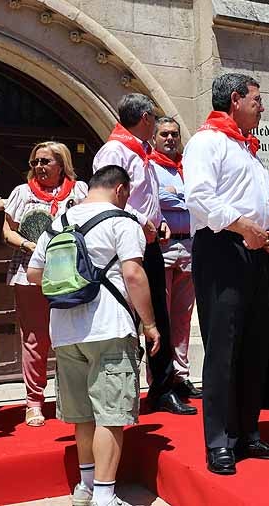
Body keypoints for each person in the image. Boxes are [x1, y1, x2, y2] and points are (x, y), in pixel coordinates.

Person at [27, 164, 161, 506]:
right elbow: (133, 273)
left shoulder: (58, 222)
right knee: (110, 415)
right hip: (110, 327)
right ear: (120, 190)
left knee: (83, 414)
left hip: (64, 329)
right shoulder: (122, 221)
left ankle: (86, 487)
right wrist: (149, 324)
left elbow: (33, 274)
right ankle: (104, 496)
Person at [183, 73, 269, 475]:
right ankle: (219, 441)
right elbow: (199, 197)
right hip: (222, 249)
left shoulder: (247, 150)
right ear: (235, 100)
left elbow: (263, 207)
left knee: (255, 346)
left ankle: (248, 433)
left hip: (257, 252)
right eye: (257, 100)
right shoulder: (207, 142)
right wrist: (244, 226)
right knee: (224, 349)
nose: (263, 107)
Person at [92, 94, 194, 416]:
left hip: (148, 242)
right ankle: (124, 389)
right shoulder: (115, 150)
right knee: (128, 317)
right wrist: (142, 222)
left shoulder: (141, 151)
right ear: (147, 118)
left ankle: (162, 389)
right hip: (123, 244)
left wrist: (159, 223)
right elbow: (108, 198)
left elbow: (145, 199)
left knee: (158, 316)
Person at [3, 141, 89, 426]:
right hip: (30, 274)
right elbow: (7, 231)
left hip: (69, 274)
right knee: (35, 339)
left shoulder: (79, 191)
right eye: (35, 162)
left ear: (61, 164)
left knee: (73, 337)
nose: (39, 167)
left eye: (45, 162)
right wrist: (31, 245)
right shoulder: (21, 193)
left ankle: (73, 398)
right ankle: (34, 401)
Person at [149, 116, 201, 400]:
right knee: (162, 317)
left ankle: (182, 377)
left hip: (189, 245)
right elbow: (157, 199)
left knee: (183, 318)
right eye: (164, 134)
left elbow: (194, 196)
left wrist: (176, 196)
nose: (170, 139)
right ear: (154, 138)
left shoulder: (188, 167)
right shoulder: (150, 166)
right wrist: (186, 199)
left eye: (174, 134)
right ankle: (161, 380)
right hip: (164, 248)